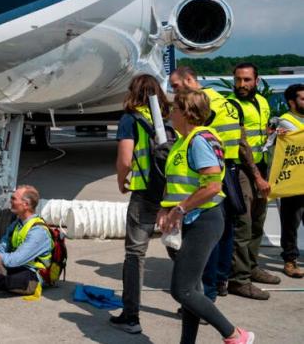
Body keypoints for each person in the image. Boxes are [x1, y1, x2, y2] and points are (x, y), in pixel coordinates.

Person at [157, 89, 254, 344]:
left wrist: (179, 209)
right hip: (188, 220)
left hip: (203, 219)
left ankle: (234, 335)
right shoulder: (183, 140)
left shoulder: (200, 140)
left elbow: (212, 186)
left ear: (186, 112)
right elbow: (178, 183)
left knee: (183, 290)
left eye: (174, 109)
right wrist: (164, 208)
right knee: (194, 289)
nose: (170, 114)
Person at [170, 66, 245, 301]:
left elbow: (210, 182)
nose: (174, 91)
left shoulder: (199, 113)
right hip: (228, 165)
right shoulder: (223, 100)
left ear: (190, 80)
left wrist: (181, 207)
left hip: (209, 174)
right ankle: (220, 280)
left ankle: (207, 292)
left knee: (209, 241)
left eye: (175, 86)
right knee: (225, 232)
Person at [109, 74, 169, 334]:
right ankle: (195, 302)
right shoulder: (171, 117)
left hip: (145, 192)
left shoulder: (130, 119)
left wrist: (122, 181)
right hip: (174, 192)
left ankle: (131, 316)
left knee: (135, 254)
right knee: (180, 250)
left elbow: (125, 160)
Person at [226, 63, 280, 299]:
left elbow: (260, 135)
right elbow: (241, 144)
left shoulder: (262, 102)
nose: (242, 85)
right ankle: (238, 280)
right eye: (238, 80)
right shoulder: (232, 105)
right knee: (243, 224)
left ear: (256, 81)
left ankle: (252, 266)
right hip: (241, 170)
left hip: (260, 166)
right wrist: (257, 177)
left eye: (247, 80)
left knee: (258, 219)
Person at [276, 83, 304, 278]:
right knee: (291, 223)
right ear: (292, 102)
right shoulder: (286, 122)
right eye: (303, 98)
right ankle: (290, 259)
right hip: (293, 182)